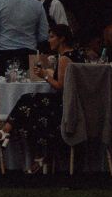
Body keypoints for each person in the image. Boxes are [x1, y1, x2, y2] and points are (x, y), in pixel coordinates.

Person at [6, 23, 73, 171]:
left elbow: (60, 86)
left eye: (52, 37)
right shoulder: (75, 55)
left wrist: (45, 76)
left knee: (27, 101)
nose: (49, 40)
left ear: (62, 39)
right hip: (72, 104)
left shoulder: (64, 58)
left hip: (64, 105)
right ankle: (43, 157)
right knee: (29, 109)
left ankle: (5, 131)